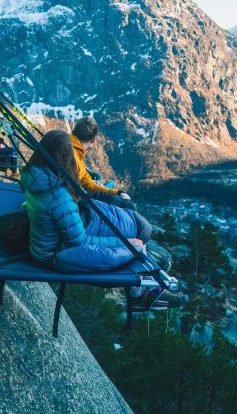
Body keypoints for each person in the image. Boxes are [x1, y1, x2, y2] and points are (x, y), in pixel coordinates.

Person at [20, 130, 187, 309]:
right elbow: (80, 241)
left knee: (128, 241)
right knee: (125, 249)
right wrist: (123, 243)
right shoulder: (58, 195)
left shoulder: (36, 177)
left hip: (49, 245)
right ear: (64, 159)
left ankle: (146, 274)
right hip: (56, 255)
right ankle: (142, 294)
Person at [70, 117, 136, 210]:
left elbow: (88, 183)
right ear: (93, 139)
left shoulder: (68, 145)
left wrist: (117, 192)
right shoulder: (74, 156)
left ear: (73, 132)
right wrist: (119, 193)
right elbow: (89, 186)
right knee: (128, 205)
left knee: (110, 185)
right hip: (77, 201)